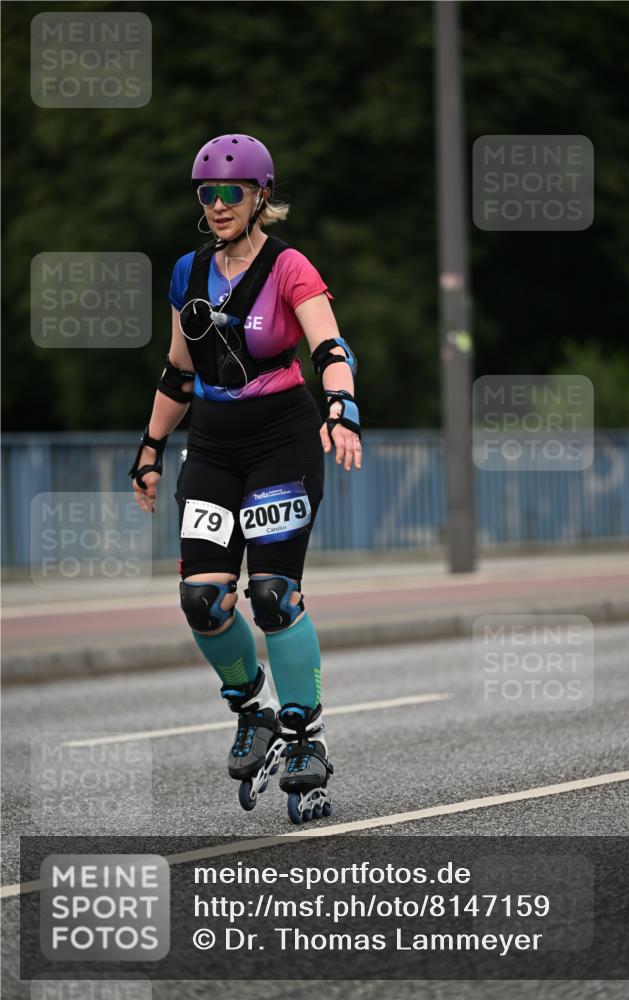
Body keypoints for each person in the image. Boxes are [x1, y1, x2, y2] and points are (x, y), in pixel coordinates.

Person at [129, 133, 362, 824]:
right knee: (202, 598)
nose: (218, 204)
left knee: (271, 593)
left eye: (232, 192)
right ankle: (251, 710)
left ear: (262, 196)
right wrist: (150, 449)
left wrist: (341, 409)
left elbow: (330, 347)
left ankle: (303, 734)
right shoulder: (188, 272)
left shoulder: (289, 267)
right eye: (207, 193)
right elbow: (179, 371)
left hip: (281, 439)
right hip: (212, 444)